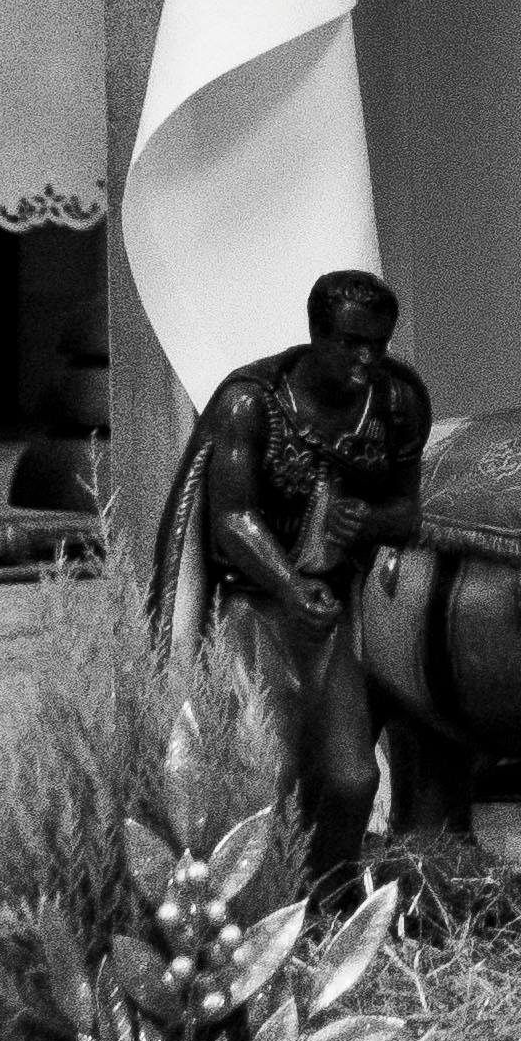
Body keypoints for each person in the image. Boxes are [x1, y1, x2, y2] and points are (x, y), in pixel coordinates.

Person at [163, 269, 437, 884]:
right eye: (350, 344)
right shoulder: (251, 403)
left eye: (378, 346)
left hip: (329, 611)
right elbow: (231, 517)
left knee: (351, 777)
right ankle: (257, 906)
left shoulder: (395, 404)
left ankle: (327, 902)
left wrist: (363, 522)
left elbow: (407, 515)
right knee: (270, 768)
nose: (366, 361)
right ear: (316, 334)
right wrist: (289, 585)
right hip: (253, 607)